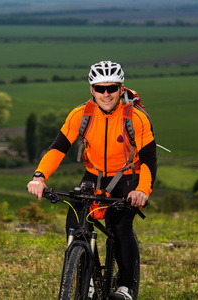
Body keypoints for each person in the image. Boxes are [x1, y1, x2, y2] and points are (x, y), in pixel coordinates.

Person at [27, 61, 157, 300]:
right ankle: (84, 276)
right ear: (91, 90)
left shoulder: (136, 118)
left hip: (126, 177)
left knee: (120, 226)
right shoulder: (81, 114)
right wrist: (39, 176)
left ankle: (126, 286)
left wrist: (142, 190)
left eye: (111, 88)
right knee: (75, 220)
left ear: (121, 89)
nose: (105, 94)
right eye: (100, 88)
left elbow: (149, 159)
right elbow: (58, 149)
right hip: (94, 175)